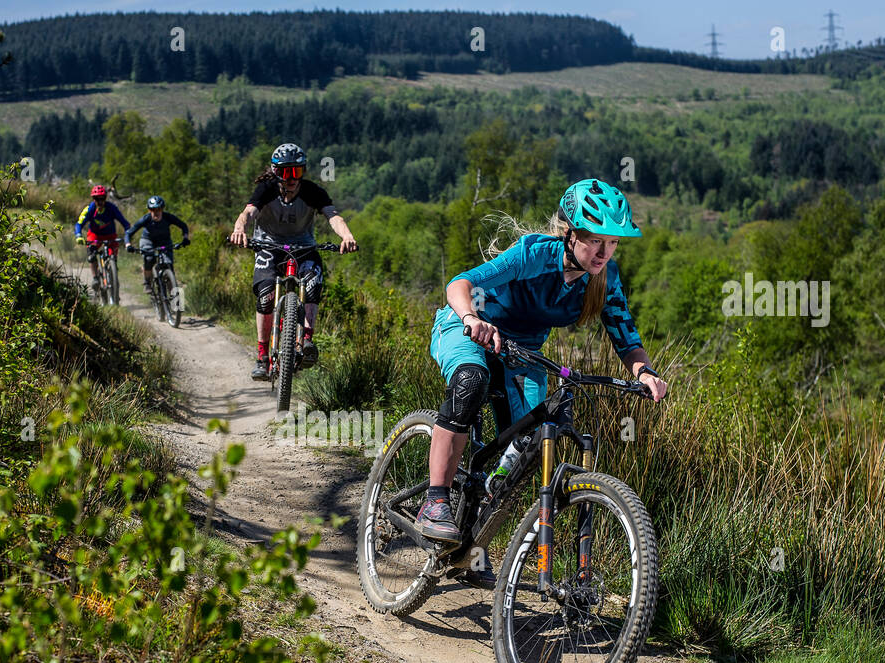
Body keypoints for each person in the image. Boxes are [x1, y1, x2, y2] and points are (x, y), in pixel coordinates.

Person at [416, 178, 670, 576]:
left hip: (523, 354)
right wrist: (471, 319)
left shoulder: (604, 279)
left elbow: (626, 338)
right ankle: (435, 499)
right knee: (470, 380)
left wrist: (647, 373)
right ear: (570, 234)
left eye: (613, 242)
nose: (604, 252)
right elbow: (460, 284)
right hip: (468, 326)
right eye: (595, 240)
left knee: (536, 437)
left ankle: (473, 535)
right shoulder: (534, 255)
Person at [228, 142, 357, 381]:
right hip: (268, 245)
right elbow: (248, 213)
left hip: (303, 246)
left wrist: (346, 235)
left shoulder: (312, 192)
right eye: (286, 172)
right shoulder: (265, 190)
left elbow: (333, 216)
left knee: (313, 282)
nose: (292, 178)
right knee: (265, 296)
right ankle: (262, 356)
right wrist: (239, 230)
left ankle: (306, 339)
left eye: (297, 171)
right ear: (276, 172)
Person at [124, 195, 190, 307]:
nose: (156, 212)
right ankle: (147, 283)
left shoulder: (168, 217)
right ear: (149, 210)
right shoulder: (146, 219)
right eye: (153, 210)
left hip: (165, 241)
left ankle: (176, 303)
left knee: (169, 266)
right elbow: (129, 233)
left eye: (159, 209)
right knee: (149, 259)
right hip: (148, 241)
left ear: (162, 209)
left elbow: (183, 225)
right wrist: (128, 244)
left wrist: (185, 238)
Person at [75, 184, 131, 287]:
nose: (100, 202)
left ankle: (113, 275)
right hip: (95, 236)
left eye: (102, 198)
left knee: (112, 256)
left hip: (110, 236)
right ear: (93, 199)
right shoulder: (90, 209)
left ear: (105, 198)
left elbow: (125, 223)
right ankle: (95, 278)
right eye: (97, 199)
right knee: (91, 254)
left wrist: (128, 233)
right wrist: (78, 235)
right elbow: (79, 223)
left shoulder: (112, 208)